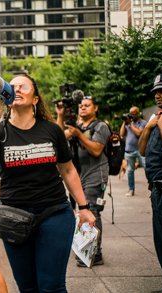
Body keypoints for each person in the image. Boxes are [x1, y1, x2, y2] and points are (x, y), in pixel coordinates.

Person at [0, 73, 96, 292]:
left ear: (35, 99)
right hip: (14, 218)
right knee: (27, 287)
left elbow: (68, 170)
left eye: (24, 86)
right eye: (13, 86)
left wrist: (84, 207)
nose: (17, 89)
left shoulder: (52, 130)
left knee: (51, 286)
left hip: (55, 214)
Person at [57, 95, 110, 267]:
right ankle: (87, 250)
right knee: (83, 210)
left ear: (95, 108)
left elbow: (96, 150)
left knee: (91, 209)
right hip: (81, 175)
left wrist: (78, 134)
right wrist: (60, 116)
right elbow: (58, 138)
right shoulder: (78, 126)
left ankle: (95, 253)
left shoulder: (101, 126)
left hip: (97, 173)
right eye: (81, 106)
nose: (83, 108)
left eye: (87, 105)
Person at [138, 73, 162, 293]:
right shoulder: (156, 118)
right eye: (155, 92)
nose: (158, 95)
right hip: (157, 190)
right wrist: (149, 127)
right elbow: (142, 150)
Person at [120, 106, 147, 196]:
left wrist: (131, 124)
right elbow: (121, 134)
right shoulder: (127, 123)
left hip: (140, 150)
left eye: (134, 113)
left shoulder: (143, 123)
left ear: (138, 113)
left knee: (147, 168)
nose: (132, 115)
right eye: (131, 113)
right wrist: (124, 122)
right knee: (130, 171)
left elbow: (139, 133)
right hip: (129, 151)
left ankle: (153, 186)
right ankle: (131, 189)